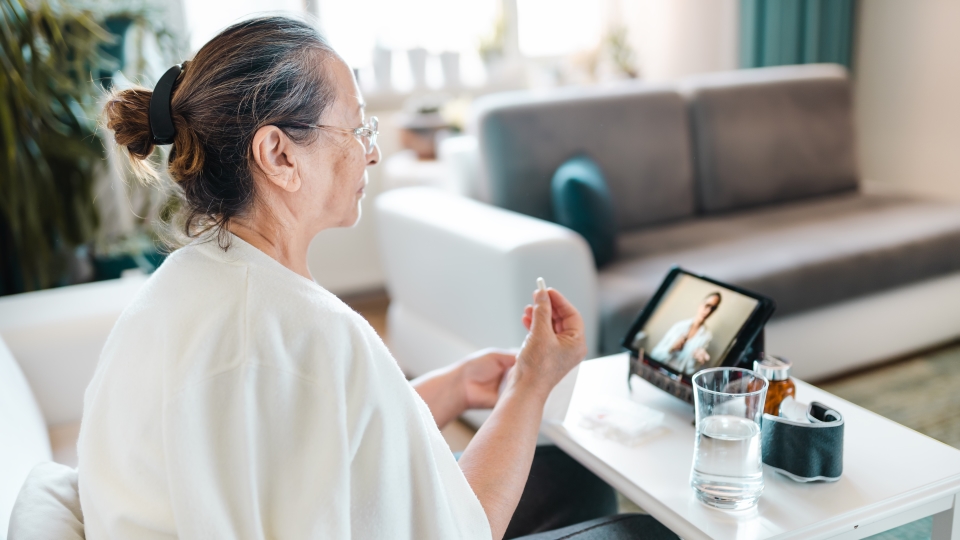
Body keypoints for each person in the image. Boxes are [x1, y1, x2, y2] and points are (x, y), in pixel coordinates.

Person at [79, 16, 678, 540]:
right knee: (643, 530)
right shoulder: (312, 334)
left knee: (573, 480)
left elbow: (312, 440)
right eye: (358, 128)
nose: (372, 152)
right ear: (280, 156)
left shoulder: (184, 288)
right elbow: (462, 530)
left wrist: (447, 388)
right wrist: (531, 382)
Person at [649, 292, 722, 376]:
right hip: (657, 371)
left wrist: (694, 360)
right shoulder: (679, 326)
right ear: (701, 304)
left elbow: (689, 371)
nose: (708, 311)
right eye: (707, 305)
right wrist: (671, 349)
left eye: (713, 308)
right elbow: (654, 355)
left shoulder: (706, 337)